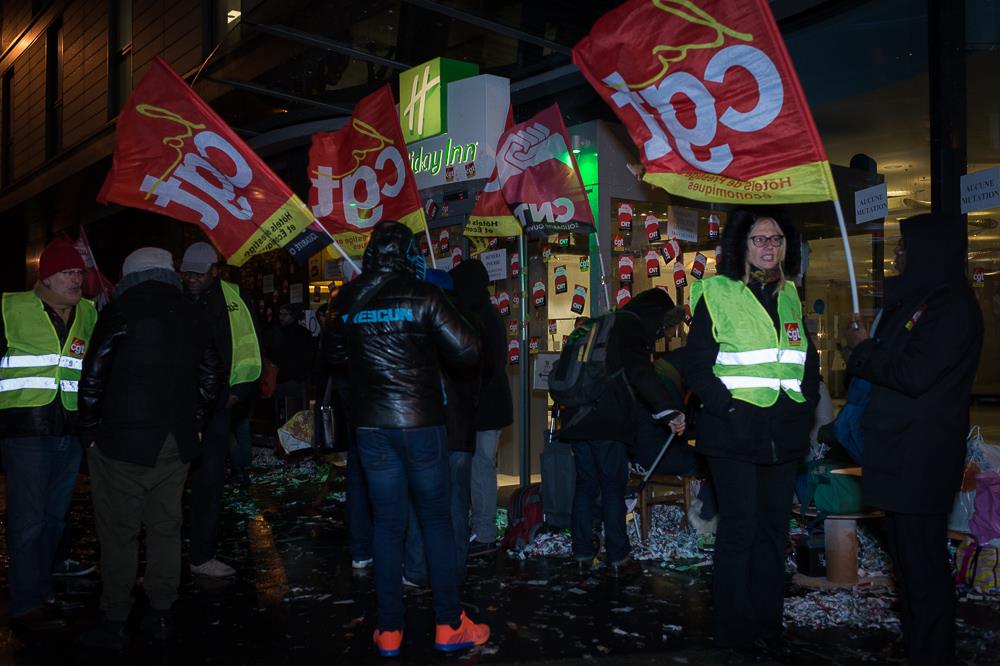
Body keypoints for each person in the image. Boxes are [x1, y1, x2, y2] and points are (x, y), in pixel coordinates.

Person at [326, 221, 489, 656]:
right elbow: (469, 349)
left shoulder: (349, 298)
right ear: (408, 254)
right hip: (421, 424)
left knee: (387, 524)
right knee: (436, 521)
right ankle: (448, 624)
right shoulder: (423, 295)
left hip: (372, 428)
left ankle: (390, 631)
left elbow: (331, 354)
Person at [678, 209, 819, 656]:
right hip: (733, 435)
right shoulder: (716, 293)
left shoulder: (791, 295)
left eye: (775, 238)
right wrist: (729, 409)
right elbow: (696, 365)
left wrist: (806, 406)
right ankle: (734, 631)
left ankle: (768, 626)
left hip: (783, 435)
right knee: (740, 530)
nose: (767, 246)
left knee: (774, 532)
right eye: (758, 239)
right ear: (741, 245)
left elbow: (805, 362)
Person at [845, 213, 983, 665]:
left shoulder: (951, 306)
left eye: (906, 246)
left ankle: (933, 653)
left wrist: (864, 350)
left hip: (922, 458)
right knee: (908, 565)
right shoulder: (922, 299)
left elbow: (913, 373)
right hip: (902, 453)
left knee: (923, 567)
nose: (898, 253)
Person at [76, 248, 222, 649]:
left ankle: (115, 618)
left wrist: (88, 431)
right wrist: (195, 424)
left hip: (120, 442)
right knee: (165, 528)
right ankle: (160, 612)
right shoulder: (192, 312)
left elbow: (93, 377)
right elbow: (212, 377)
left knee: (119, 532)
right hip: (174, 442)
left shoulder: (119, 311)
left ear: (128, 276)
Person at [0, 238, 96, 635]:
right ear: (47, 277)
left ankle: (42, 588)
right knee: (28, 521)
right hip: (25, 430)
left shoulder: (88, 312)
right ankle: (25, 603)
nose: (76, 280)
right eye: (68, 273)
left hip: (68, 430)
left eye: (79, 272)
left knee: (54, 519)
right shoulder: (11, 307)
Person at [557, 287, 686, 578]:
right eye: (663, 325)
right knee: (613, 488)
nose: (661, 333)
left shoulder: (602, 322)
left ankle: (581, 553)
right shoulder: (630, 327)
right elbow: (641, 372)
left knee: (586, 486)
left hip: (576, 418)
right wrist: (668, 410)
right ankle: (617, 556)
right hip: (605, 420)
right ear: (656, 316)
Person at [179, 241, 262, 578]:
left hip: (217, 408)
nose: (192, 278)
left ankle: (201, 553)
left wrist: (237, 393)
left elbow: (251, 345)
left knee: (210, 482)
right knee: (168, 486)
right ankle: (167, 555)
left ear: (215, 270)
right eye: (187, 272)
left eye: (200, 272)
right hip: (180, 407)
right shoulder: (175, 296)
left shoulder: (234, 298)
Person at [403, 267, 481, 586]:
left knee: (420, 505)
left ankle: (418, 569)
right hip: (461, 431)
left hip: (428, 429)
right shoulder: (467, 326)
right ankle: (455, 570)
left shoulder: (420, 328)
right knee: (456, 506)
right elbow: (480, 376)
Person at [450, 258, 513, 556]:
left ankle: (484, 532)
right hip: (490, 405)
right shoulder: (489, 315)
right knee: (483, 466)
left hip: (480, 406)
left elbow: (479, 366)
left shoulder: (475, 317)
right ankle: (482, 530)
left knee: (480, 468)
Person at [265, 303, 315, 426]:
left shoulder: (293, 334)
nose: (281, 317)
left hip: (290, 379)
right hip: (288, 379)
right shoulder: (282, 332)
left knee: (289, 415)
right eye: (280, 314)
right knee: (292, 416)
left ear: (293, 316)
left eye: (285, 315)